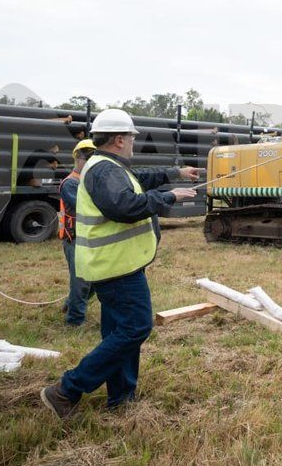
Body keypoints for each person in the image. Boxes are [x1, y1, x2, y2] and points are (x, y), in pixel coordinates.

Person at [40, 109, 199, 418]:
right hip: (116, 267)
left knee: (119, 331)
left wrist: (176, 173)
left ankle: (121, 398)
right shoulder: (104, 170)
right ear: (118, 140)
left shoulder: (108, 166)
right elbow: (125, 207)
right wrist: (170, 197)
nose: (133, 142)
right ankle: (67, 389)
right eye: (131, 137)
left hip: (116, 264)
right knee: (136, 327)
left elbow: (139, 179)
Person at [59, 139, 97, 327]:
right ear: (77, 159)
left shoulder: (90, 181)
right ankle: (75, 320)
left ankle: (70, 304)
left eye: (92, 159)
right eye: (85, 158)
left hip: (89, 238)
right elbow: (83, 207)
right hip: (73, 239)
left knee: (94, 282)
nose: (88, 162)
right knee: (81, 282)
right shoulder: (70, 184)